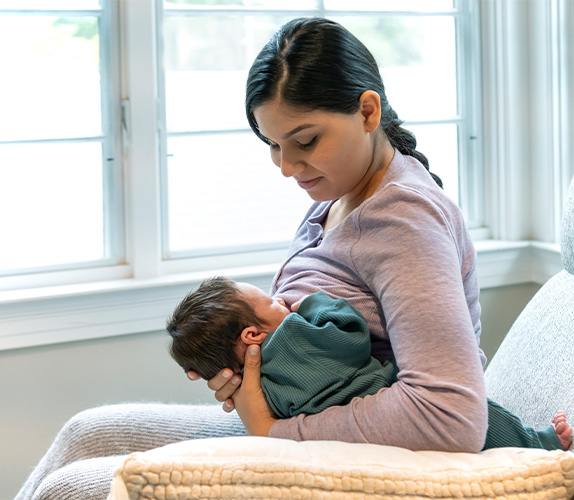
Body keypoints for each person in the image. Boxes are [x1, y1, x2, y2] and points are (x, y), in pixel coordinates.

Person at [14, 17, 571, 500]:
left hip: (374, 457)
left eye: (305, 141)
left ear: (368, 110)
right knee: (87, 430)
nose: (286, 165)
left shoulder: (402, 220)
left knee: (74, 488)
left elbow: (450, 417)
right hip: (314, 430)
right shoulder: (338, 195)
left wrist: (273, 432)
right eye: (273, 145)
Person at [167, 276, 572, 451]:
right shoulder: (295, 335)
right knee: (487, 419)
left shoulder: (256, 387)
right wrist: (311, 301)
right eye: (271, 301)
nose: (282, 300)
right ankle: (542, 444)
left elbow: (271, 421)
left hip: (335, 435)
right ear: (252, 335)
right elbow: (350, 334)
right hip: (382, 396)